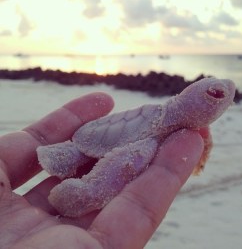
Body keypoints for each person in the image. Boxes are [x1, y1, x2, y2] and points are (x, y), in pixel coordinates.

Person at [0, 92, 204, 249]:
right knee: (118, 160)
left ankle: (62, 160)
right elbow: (125, 158)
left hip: (104, 132)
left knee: (105, 156)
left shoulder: (167, 119)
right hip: (108, 135)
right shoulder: (152, 136)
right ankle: (65, 164)